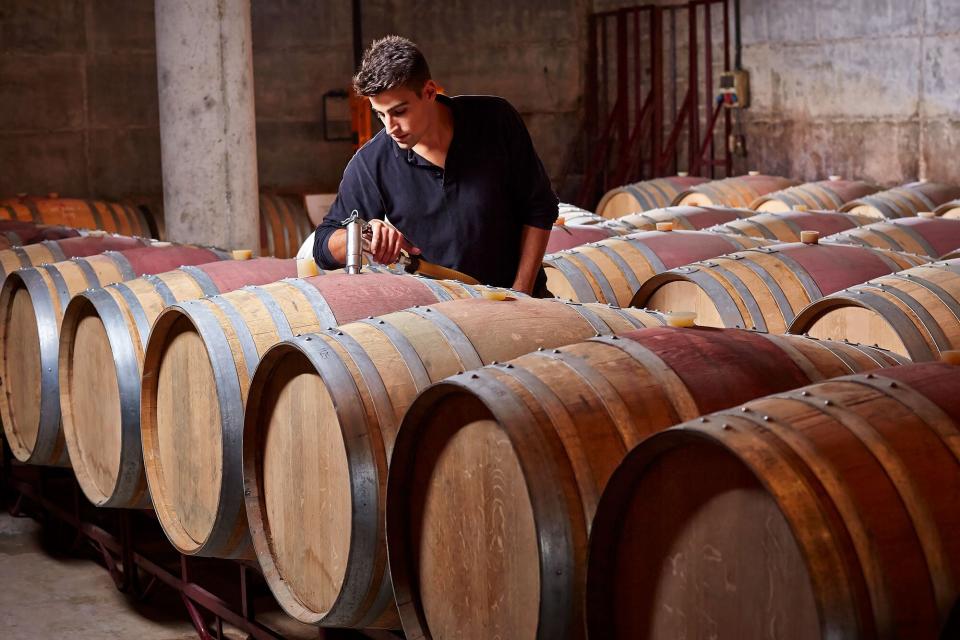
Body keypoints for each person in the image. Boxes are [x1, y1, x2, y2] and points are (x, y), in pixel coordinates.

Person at [313, 35, 559, 295]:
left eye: (399, 112)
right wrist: (363, 234)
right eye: (380, 114)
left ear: (429, 92)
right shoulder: (371, 162)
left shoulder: (496, 120)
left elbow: (539, 208)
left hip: (526, 304)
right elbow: (323, 245)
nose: (390, 127)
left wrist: (520, 294)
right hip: (445, 322)